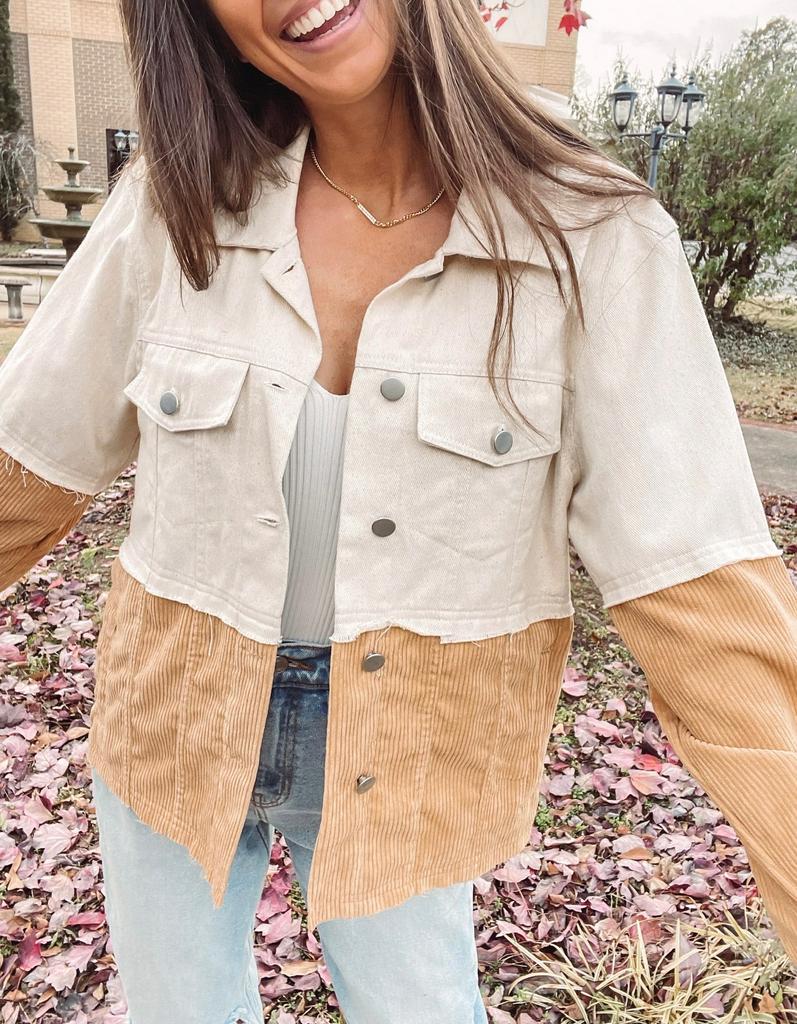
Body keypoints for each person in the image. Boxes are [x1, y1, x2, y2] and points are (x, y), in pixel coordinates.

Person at [1, 0, 795, 1020]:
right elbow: (25, 466)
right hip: (172, 715)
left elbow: (699, 590)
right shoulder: (173, 202)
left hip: (413, 745)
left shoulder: (593, 236)